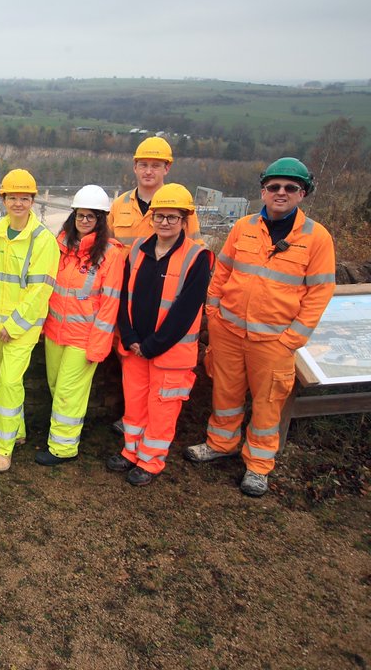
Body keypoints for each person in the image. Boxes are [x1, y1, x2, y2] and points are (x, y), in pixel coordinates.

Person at [185, 158, 335, 496]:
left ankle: (258, 466)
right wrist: (214, 311)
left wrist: (293, 338)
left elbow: (320, 292)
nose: (281, 193)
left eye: (290, 188)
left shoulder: (317, 238)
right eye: (274, 187)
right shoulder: (244, 227)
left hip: (274, 341)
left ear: (302, 193)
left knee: (268, 404)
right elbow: (222, 271)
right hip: (229, 332)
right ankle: (221, 443)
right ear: (263, 191)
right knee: (225, 393)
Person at [107, 184, 212, 487]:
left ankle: (151, 461)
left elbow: (186, 310)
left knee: (162, 409)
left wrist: (153, 345)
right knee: (136, 403)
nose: (165, 223)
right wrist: (128, 335)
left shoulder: (198, 257)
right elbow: (124, 295)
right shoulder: (138, 249)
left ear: (184, 220)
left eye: (172, 217)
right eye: (160, 217)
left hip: (169, 352)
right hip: (136, 347)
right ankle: (131, 451)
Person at [38, 185, 124, 466]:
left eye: (92, 216)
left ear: (101, 220)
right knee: (55, 386)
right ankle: (63, 434)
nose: (85, 220)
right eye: (80, 215)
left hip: (83, 338)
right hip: (54, 332)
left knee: (68, 392)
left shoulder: (110, 255)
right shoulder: (60, 246)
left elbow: (110, 303)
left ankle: (62, 448)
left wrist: (99, 345)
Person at [0, 169, 58, 473]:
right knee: (2, 381)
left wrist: (12, 327)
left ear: (32, 200)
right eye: (12, 197)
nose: (17, 203)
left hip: (19, 329)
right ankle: (19, 431)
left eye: (24, 198)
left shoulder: (43, 240)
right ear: (3, 199)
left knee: (11, 384)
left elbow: (39, 291)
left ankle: (3, 448)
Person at [108, 136, 203, 248]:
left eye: (155, 166)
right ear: (135, 167)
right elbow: (106, 246)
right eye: (143, 165)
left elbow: (196, 251)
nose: (148, 172)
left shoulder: (180, 205)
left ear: (167, 168)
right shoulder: (119, 204)